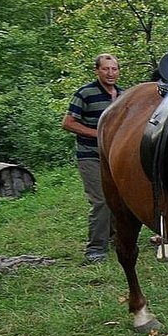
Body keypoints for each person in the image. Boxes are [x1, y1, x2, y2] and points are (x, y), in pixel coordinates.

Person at [62, 53, 122, 263]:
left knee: (119, 200)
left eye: (114, 69)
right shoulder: (85, 93)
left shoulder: (123, 95)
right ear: (97, 71)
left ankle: (117, 239)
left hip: (116, 157)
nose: (110, 73)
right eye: (105, 69)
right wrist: (99, 133)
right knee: (101, 201)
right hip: (91, 156)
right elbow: (68, 123)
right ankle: (95, 248)